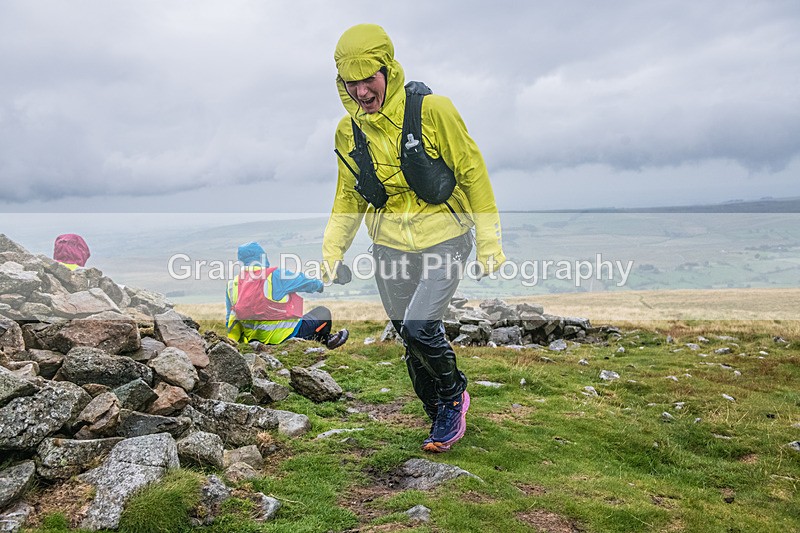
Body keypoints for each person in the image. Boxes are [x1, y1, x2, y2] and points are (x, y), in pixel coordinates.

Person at [323, 24, 506, 452]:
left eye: (369, 79)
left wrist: (489, 240)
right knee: (409, 335)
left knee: (422, 326)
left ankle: (453, 395)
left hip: (446, 235)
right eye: (352, 82)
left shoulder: (433, 111)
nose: (362, 92)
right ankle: (438, 413)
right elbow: (347, 197)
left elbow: (473, 173)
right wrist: (332, 252)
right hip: (388, 246)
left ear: (389, 68)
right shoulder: (347, 132)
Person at [226, 242, 348, 349]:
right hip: (285, 336)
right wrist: (319, 285)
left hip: (254, 340)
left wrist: (236, 344)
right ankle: (326, 343)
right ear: (262, 256)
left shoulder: (233, 284)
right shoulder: (275, 275)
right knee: (323, 312)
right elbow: (304, 281)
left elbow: (230, 319)